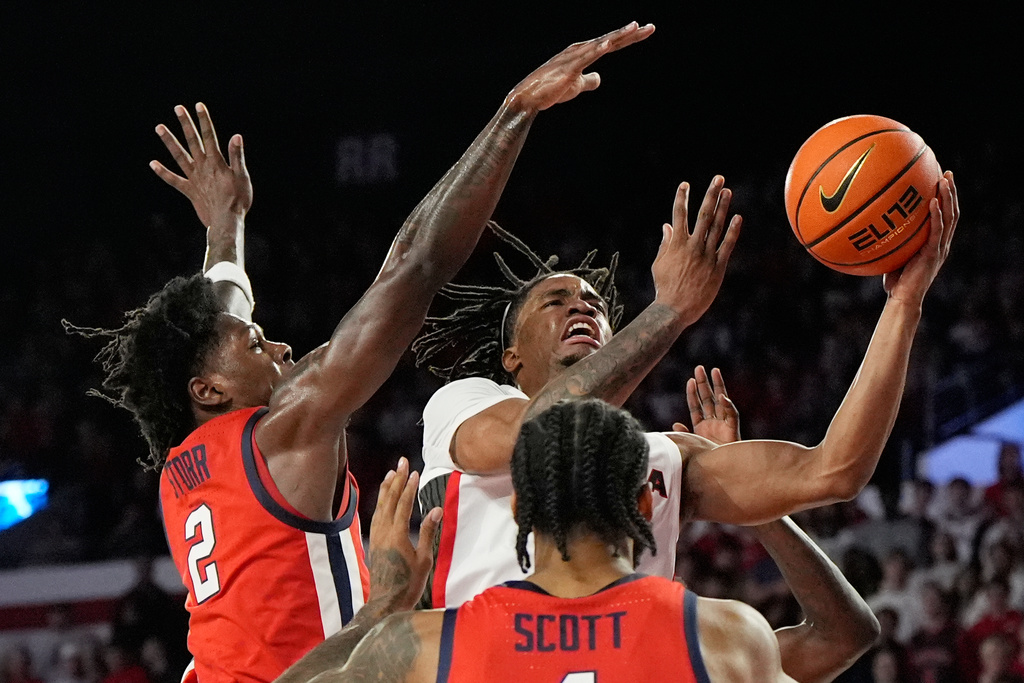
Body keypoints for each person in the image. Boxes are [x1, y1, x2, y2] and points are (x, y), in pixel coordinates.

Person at [65, 22, 655, 683]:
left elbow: (224, 310)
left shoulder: (186, 461)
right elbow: (416, 265)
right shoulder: (283, 428)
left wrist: (225, 225)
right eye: (259, 340)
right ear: (207, 388)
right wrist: (514, 112)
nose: (279, 342)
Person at [413, 172, 959, 608]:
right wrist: (670, 310)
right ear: (512, 356)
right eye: (554, 302)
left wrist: (903, 305)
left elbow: (836, 471)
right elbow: (539, 432)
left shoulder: (661, 460)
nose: (582, 306)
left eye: (597, 307)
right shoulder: (466, 404)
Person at [275, 399, 879, 682]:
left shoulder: (426, 646)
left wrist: (383, 604)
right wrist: (904, 298)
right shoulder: (723, 637)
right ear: (647, 503)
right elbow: (844, 635)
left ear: (518, 508)